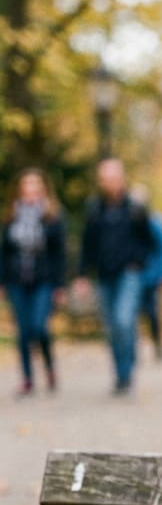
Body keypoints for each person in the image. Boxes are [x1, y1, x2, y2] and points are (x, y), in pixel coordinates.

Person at [75, 158, 154, 396]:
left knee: (123, 320)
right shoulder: (94, 208)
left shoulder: (135, 207)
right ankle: (120, 374)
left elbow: (148, 241)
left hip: (128, 274)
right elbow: (87, 244)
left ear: (122, 179)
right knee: (111, 328)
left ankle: (128, 372)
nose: (109, 183)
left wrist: (136, 262)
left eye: (113, 178)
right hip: (103, 275)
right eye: (105, 179)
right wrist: (82, 275)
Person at [1, 168, 67, 396]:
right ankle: (27, 378)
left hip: (44, 280)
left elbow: (60, 254)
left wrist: (60, 286)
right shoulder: (11, 216)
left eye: (35, 184)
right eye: (27, 184)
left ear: (42, 188)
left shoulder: (52, 216)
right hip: (17, 280)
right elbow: (4, 252)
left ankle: (49, 368)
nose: (31, 188)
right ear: (20, 189)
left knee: (39, 327)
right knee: (22, 331)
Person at [132, 184, 162, 362]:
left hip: (152, 276)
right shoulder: (128, 220)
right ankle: (133, 350)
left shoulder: (157, 221)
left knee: (152, 313)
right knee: (131, 314)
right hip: (133, 276)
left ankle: (158, 343)